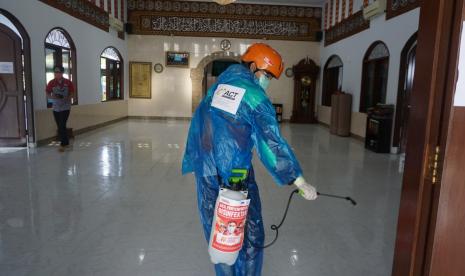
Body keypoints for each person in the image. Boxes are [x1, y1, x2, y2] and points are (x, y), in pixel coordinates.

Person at [182, 43, 317, 276]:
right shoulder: (254, 96)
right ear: (253, 66)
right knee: (251, 234)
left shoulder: (219, 86)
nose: (267, 81)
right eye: (266, 75)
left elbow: (202, 126)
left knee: (219, 235)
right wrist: (298, 180)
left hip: (205, 171)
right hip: (236, 176)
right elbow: (270, 143)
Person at [46, 66, 74, 152]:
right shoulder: (51, 82)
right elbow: (47, 93)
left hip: (65, 107)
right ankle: (66, 142)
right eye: (55, 72)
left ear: (62, 73)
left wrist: (68, 97)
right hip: (56, 107)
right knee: (60, 125)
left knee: (62, 124)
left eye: (58, 72)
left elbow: (73, 93)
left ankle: (63, 144)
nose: (56, 74)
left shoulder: (68, 82)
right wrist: (52, 97)